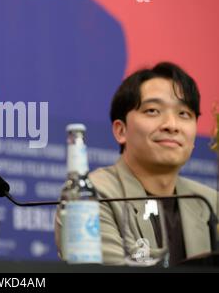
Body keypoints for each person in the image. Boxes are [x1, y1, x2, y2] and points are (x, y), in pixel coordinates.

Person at [55, 62, 218, 266]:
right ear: (121, 131)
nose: (172, 125)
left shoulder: (210, 203)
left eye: (184, 114)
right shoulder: (89, 198)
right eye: (152, 110)